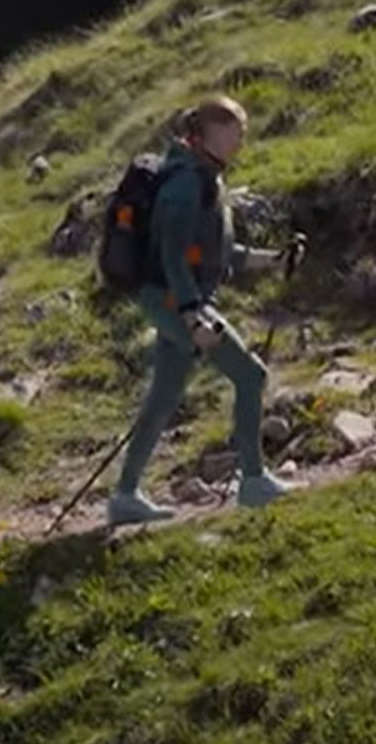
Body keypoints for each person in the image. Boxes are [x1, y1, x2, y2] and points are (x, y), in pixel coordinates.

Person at [110, 96, 296, 526]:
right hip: (177, 301)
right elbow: (173, 258)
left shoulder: (205, 177)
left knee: (162, 398)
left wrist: (273, 260)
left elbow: (218, 254)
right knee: (251, 375)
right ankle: (254, 482)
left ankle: (125, 496)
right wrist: (193, 315)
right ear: (208, 134)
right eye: (236, 131)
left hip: (172, 298)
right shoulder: (185, 185)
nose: (242, 139)